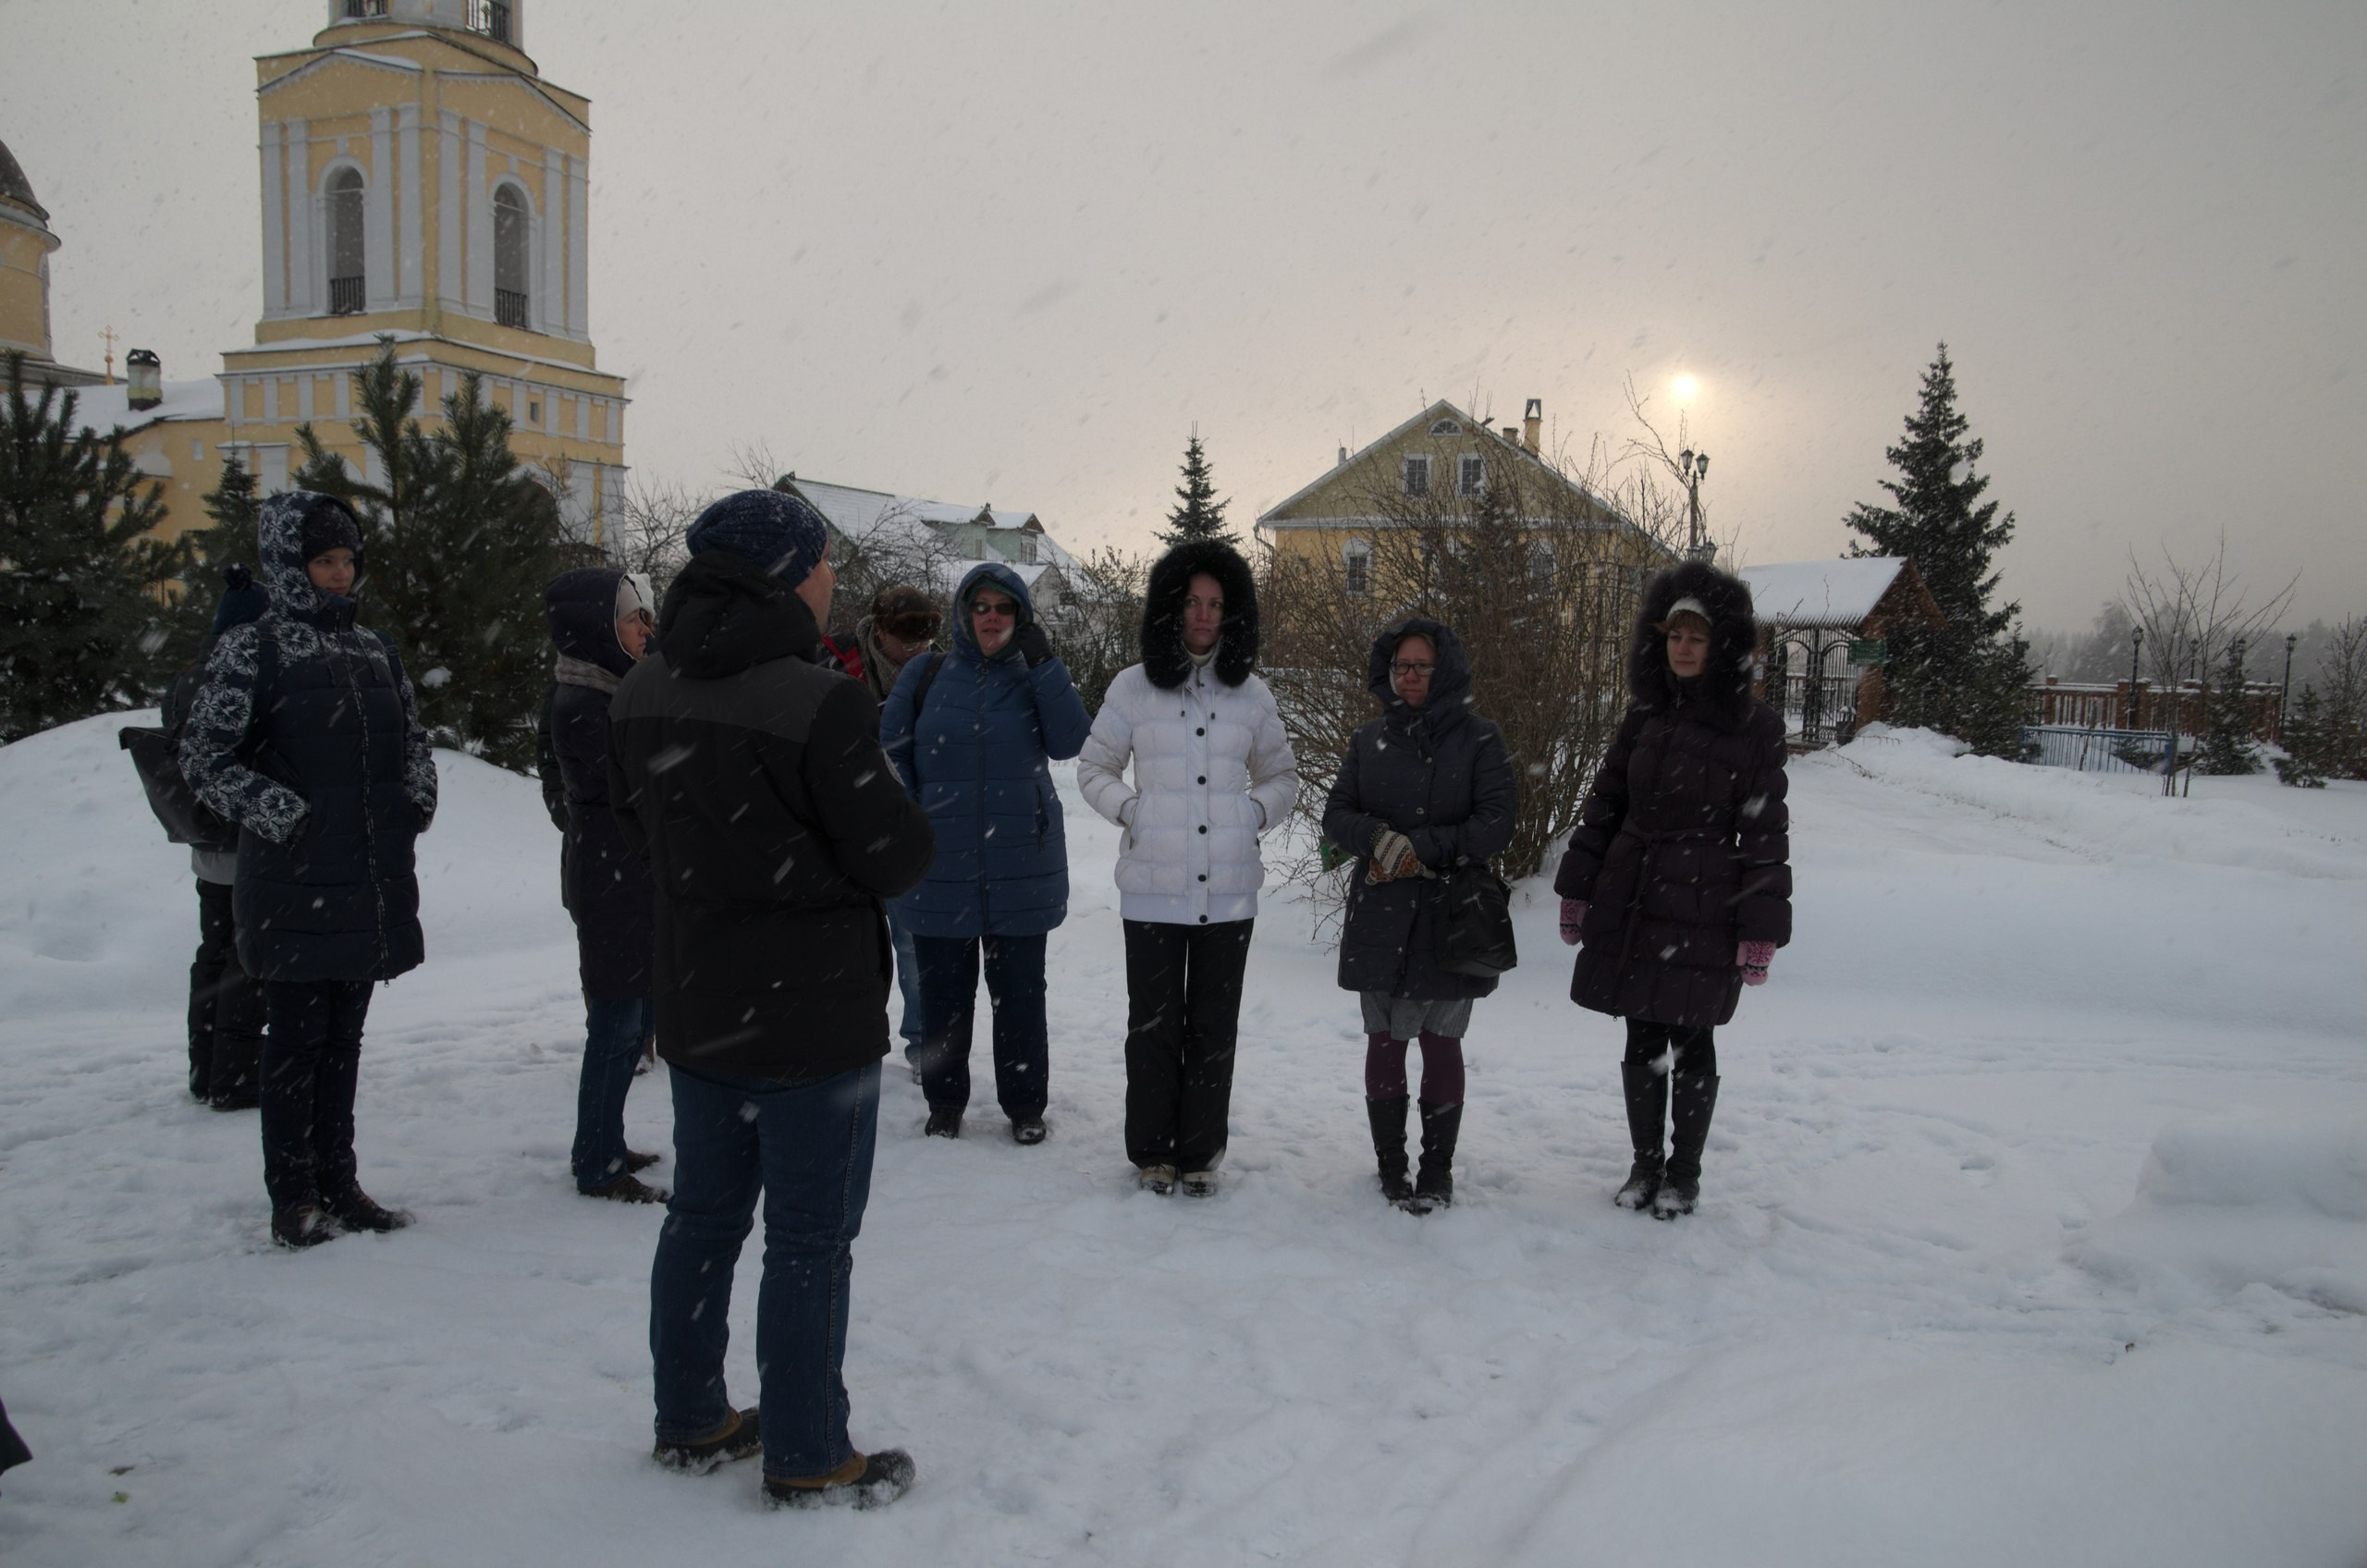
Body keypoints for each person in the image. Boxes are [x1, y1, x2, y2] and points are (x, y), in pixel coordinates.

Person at [608, 488, 933, 1509]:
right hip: (810, 1022)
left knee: (702, 1218)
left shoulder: (642, 687)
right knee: (807, 1236)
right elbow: (895, 855)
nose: (834, 576)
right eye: (824, 559)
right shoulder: (817, 699)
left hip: (700, 1004)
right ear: (788, 572)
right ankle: (805, 1449)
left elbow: (642, 833)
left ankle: (693, 1414)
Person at [181, 492, 436, 1249]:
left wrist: (416, 795)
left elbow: (415, 741)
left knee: (345, 1041)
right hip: (292, 886)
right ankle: (292, 1196)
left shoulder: (374, 650)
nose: (339, 573)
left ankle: (339, 1181)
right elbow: (202, 756)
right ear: (291, 566)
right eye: (324, 560)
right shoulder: (252, 649)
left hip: (365, 879)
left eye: (347, 559)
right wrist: (283, 814)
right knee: (296, 1044)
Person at [1553, 559, 1791, 1219]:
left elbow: (1766, 832)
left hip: (1707, 903)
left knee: (1692, 1037)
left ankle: (1683, 1175)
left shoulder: (1754, 729)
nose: (1682, 649)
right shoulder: (1643, 717)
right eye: (1673, 636)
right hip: (1635, 897)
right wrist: (1579, 888)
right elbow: (1605, 804)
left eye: (1696, 637)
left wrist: (1760, 930)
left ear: (1722, 647)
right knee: (1640, 1035)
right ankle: (1644, 1166)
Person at [1077, 540, 1297, 1195]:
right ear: (1171, 608)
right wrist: (1133, 812)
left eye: (1216, 605)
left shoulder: (1251, 695)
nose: (1204, 616)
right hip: (1152, 894)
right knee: (1152, 1030)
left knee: (1212, 1030)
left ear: (1233, 615)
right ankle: (1153, 1154)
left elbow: (1282, 776)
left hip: (1230, 896)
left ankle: (1200, 1155)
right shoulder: (1131, 687)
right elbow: (1094, 768)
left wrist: (1252, 817)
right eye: (1193, 603)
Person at [878, 563, 1091, 1144]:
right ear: (963, 615)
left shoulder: (1035, 675)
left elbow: (1073, 741)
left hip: (1022, 863)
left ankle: (1025, 1107)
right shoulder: (926, 673)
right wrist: (922, 815)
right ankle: (945, 1104)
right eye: (981, 607)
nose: (991, 617)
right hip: (940, 865)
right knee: (944, 997)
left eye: (1003, 608)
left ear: (1019, 617)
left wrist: (1047, 666)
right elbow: (890, 751)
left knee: (1021, 997)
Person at [1321, 618, 1515, 1212]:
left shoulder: (1481, 739)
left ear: (1445, 670)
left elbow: (1495, 823)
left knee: (1440, 1040)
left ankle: (1436, 1170)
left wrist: (1423, 848)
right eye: (1401, 665)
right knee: (1383, 1040)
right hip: (1381, 912)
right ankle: (1389, 1166)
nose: (1409, 676)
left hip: (1450, 917)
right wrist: (1379, 838)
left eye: (1422, 666)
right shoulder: (1366, 740)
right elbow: (1336, 815)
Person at [122, 562, 270, 1110]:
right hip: (245, 840)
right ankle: (235, 1077)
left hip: (204, 843)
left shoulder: (187, 677)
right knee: (246, 962)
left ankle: (205, 1068)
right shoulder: (243, 674)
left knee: (213, 954)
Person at [543, 567, 667, 1204]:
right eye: (632, 618)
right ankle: (596, 1158)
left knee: (634, 1017)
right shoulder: (584, 702)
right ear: (598, 628)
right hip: (612, 878)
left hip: (627, 875)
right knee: (616, 1024)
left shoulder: (613, 688)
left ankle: (605, 1140)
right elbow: (642, 781)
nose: (645, 627)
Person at [851, 584, 945, 1079]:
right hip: (847, 830)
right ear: (880, 630)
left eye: (930, 634)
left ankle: (922, 1044)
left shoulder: (937, 672)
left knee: (911, 942)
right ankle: (844, 1041)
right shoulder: (841, 663)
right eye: (909, 635)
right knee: (849, 943)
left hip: (909, 827)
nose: (920, 646)